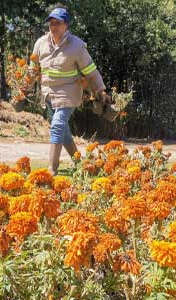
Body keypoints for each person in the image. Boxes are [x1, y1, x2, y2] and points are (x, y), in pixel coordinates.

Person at [31, 6, 111, 174]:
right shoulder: (41, 43)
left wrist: (101, 90)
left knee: (58, 125)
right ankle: (80, 164)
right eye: (51, 23)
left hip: (69, 93)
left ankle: (52, 169)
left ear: (66, 25)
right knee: (64, 131)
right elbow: (33, 69)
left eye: (57, 23)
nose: (53, 27)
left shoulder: (76, 46)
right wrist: (24, 85)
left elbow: (90, 71)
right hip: (48, 93)